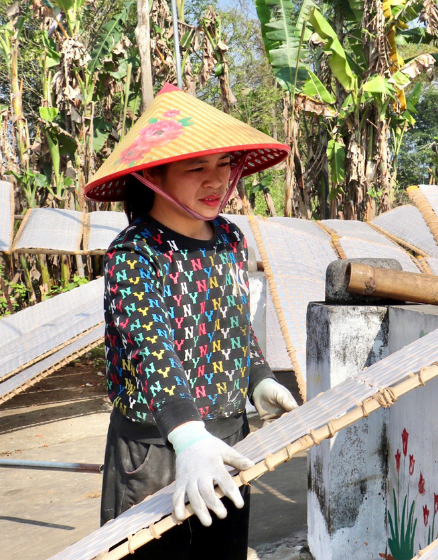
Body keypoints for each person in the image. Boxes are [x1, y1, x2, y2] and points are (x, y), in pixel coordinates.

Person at [84, 84, 297, 559]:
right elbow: (149, 348)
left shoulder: (229, 237)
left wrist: (258, 377)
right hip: (158, 451)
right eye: (196, 166)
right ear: (154, 175)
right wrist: (188, 436)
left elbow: (233, 324)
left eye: (224, 164)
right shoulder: (136, 253)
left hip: (225, 440)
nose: (216, 180)